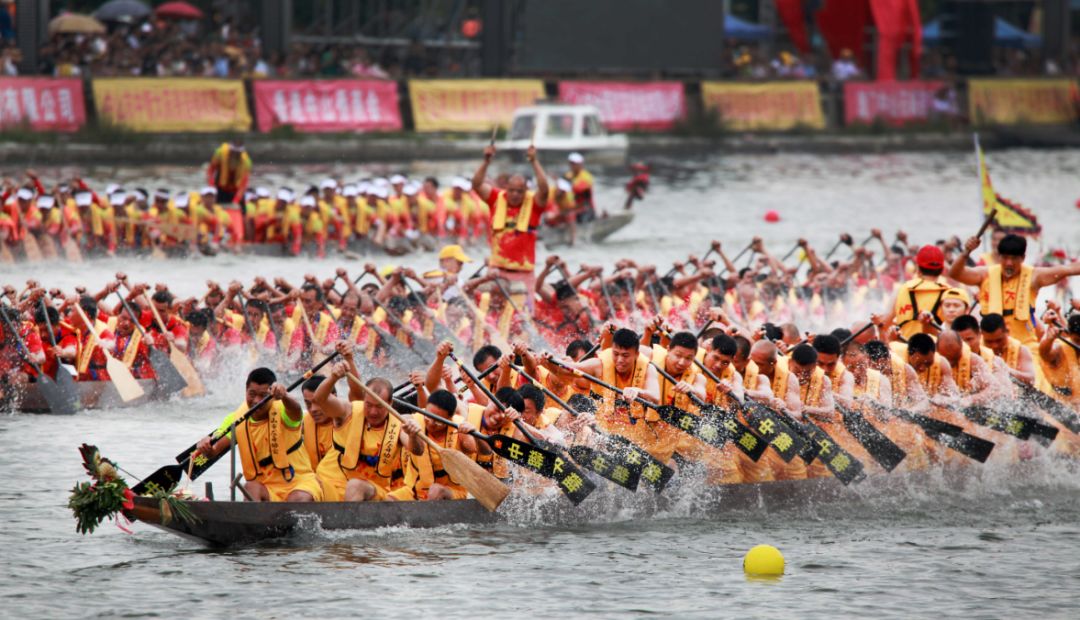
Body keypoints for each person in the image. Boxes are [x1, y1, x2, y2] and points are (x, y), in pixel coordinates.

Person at [195, 368, 323, 502]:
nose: (256, 401)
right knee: (250, 487)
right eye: (252, 394)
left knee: (297, 498)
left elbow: (296, 410)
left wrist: (284, 395)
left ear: (272, 394)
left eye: (263, 395)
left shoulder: (284, 410)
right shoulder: (235, 419)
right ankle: (251, 522)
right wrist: (205, 447)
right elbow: (213, 451)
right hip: (266, 487)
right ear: (245, 391)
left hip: (299, 484)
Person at [311, 358, 424, 501]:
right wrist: (333, 377)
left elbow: (417, 450)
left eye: (379, 406)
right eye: (369, 405)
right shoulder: (348, 411)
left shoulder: (401, 423)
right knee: (305, 488)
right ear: (363, 400)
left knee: (355, 486)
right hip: (330, 482)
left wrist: (414, 435)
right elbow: (320, 399)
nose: (373, 412)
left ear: (390, 403)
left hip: (370, 489)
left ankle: (347, 523)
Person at [949, 233, 1080, 346]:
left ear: (1023, 258)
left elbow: (1069, 269)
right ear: (999, 256)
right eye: (1005, 257)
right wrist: (966, 251)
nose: (1009, 263)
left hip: (1025, 345)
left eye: (1014, 258)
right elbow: (955, 273)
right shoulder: (984, 275)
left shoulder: (1035, 276)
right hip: (989, 345)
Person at [471, 142, 549, 297]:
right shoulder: (495, 198)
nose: (515, 195)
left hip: (523, 273)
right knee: (487, 308)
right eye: (511, 190)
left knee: (524, 316)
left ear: (525, 191)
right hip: (497, 272)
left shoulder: (534, 204)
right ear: (506, 188)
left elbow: (544, 188)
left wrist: (534, 161)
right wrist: (486, 161)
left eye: (519, 191)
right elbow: (476, 184)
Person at [206, 140, 252, 249]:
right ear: (230, 150)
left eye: (238, 153)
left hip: (235, 191)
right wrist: (211, 187)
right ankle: (211, 237)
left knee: (244, 215)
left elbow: (243, 185)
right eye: (233, 152)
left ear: (241, 153)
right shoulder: (220, 153)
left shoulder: (246, 162)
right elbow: (211, 171)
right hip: (220, 189)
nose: (235, 155)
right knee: (212, 211)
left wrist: (236, 201)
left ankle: (245, 241)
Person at [564, 152, 595, 222]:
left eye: (574, 164)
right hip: (570, 208)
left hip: (586, 208)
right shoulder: (567, 175)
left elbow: (580, 189)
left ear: (581, 164)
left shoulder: (587, 176)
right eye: (571, 163)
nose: (572, 166)